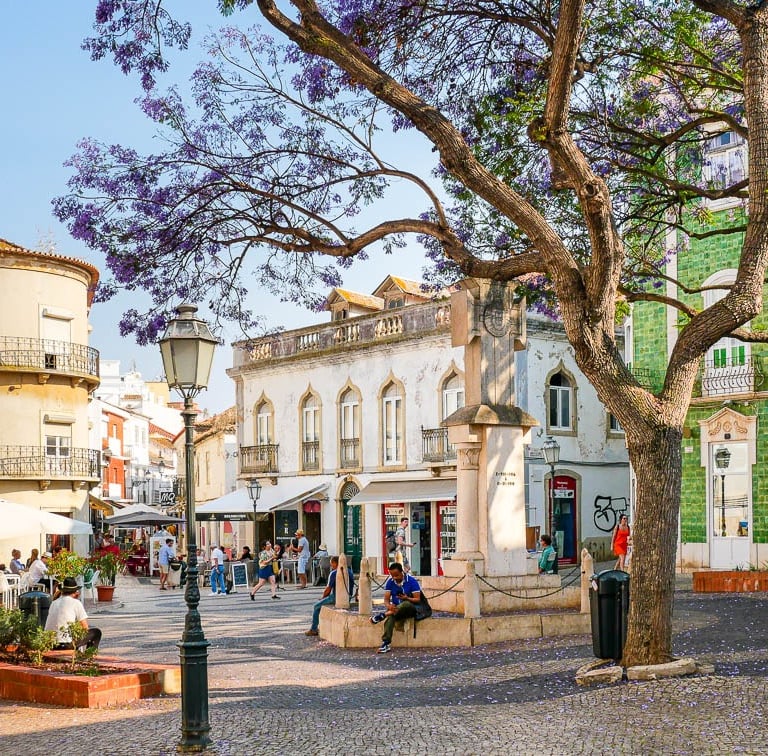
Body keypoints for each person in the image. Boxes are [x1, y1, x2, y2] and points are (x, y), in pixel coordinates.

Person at [372, 562, 421, 654]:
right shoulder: (390, 582)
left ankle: (383, 615)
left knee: (405, 604)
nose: (394, 578)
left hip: (410, 608)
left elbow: (417, 599)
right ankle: (386, 643)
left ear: (402, 572)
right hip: (395, 610)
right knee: (391, 617)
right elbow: (386, 599)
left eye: (396, 575)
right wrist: (389, 606)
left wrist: (407, 598)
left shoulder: (411, 581)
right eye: (392, 575)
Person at [44, 577, 102, 650]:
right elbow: (85, 627)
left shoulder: (54, 603)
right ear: (75, 592)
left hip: (51, 643)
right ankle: (88, 656)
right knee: (96, 633)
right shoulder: (76, 603)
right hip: (65, 644)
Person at [305, 556, 355, 636]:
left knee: (316, 606)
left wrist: (323, 598)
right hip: (348, 597)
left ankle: (313, 629)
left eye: (332, 564)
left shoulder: (334, 573)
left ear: (336, 563)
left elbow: (328, 589)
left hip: (336, 597)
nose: (331, 566)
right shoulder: (350, 571)